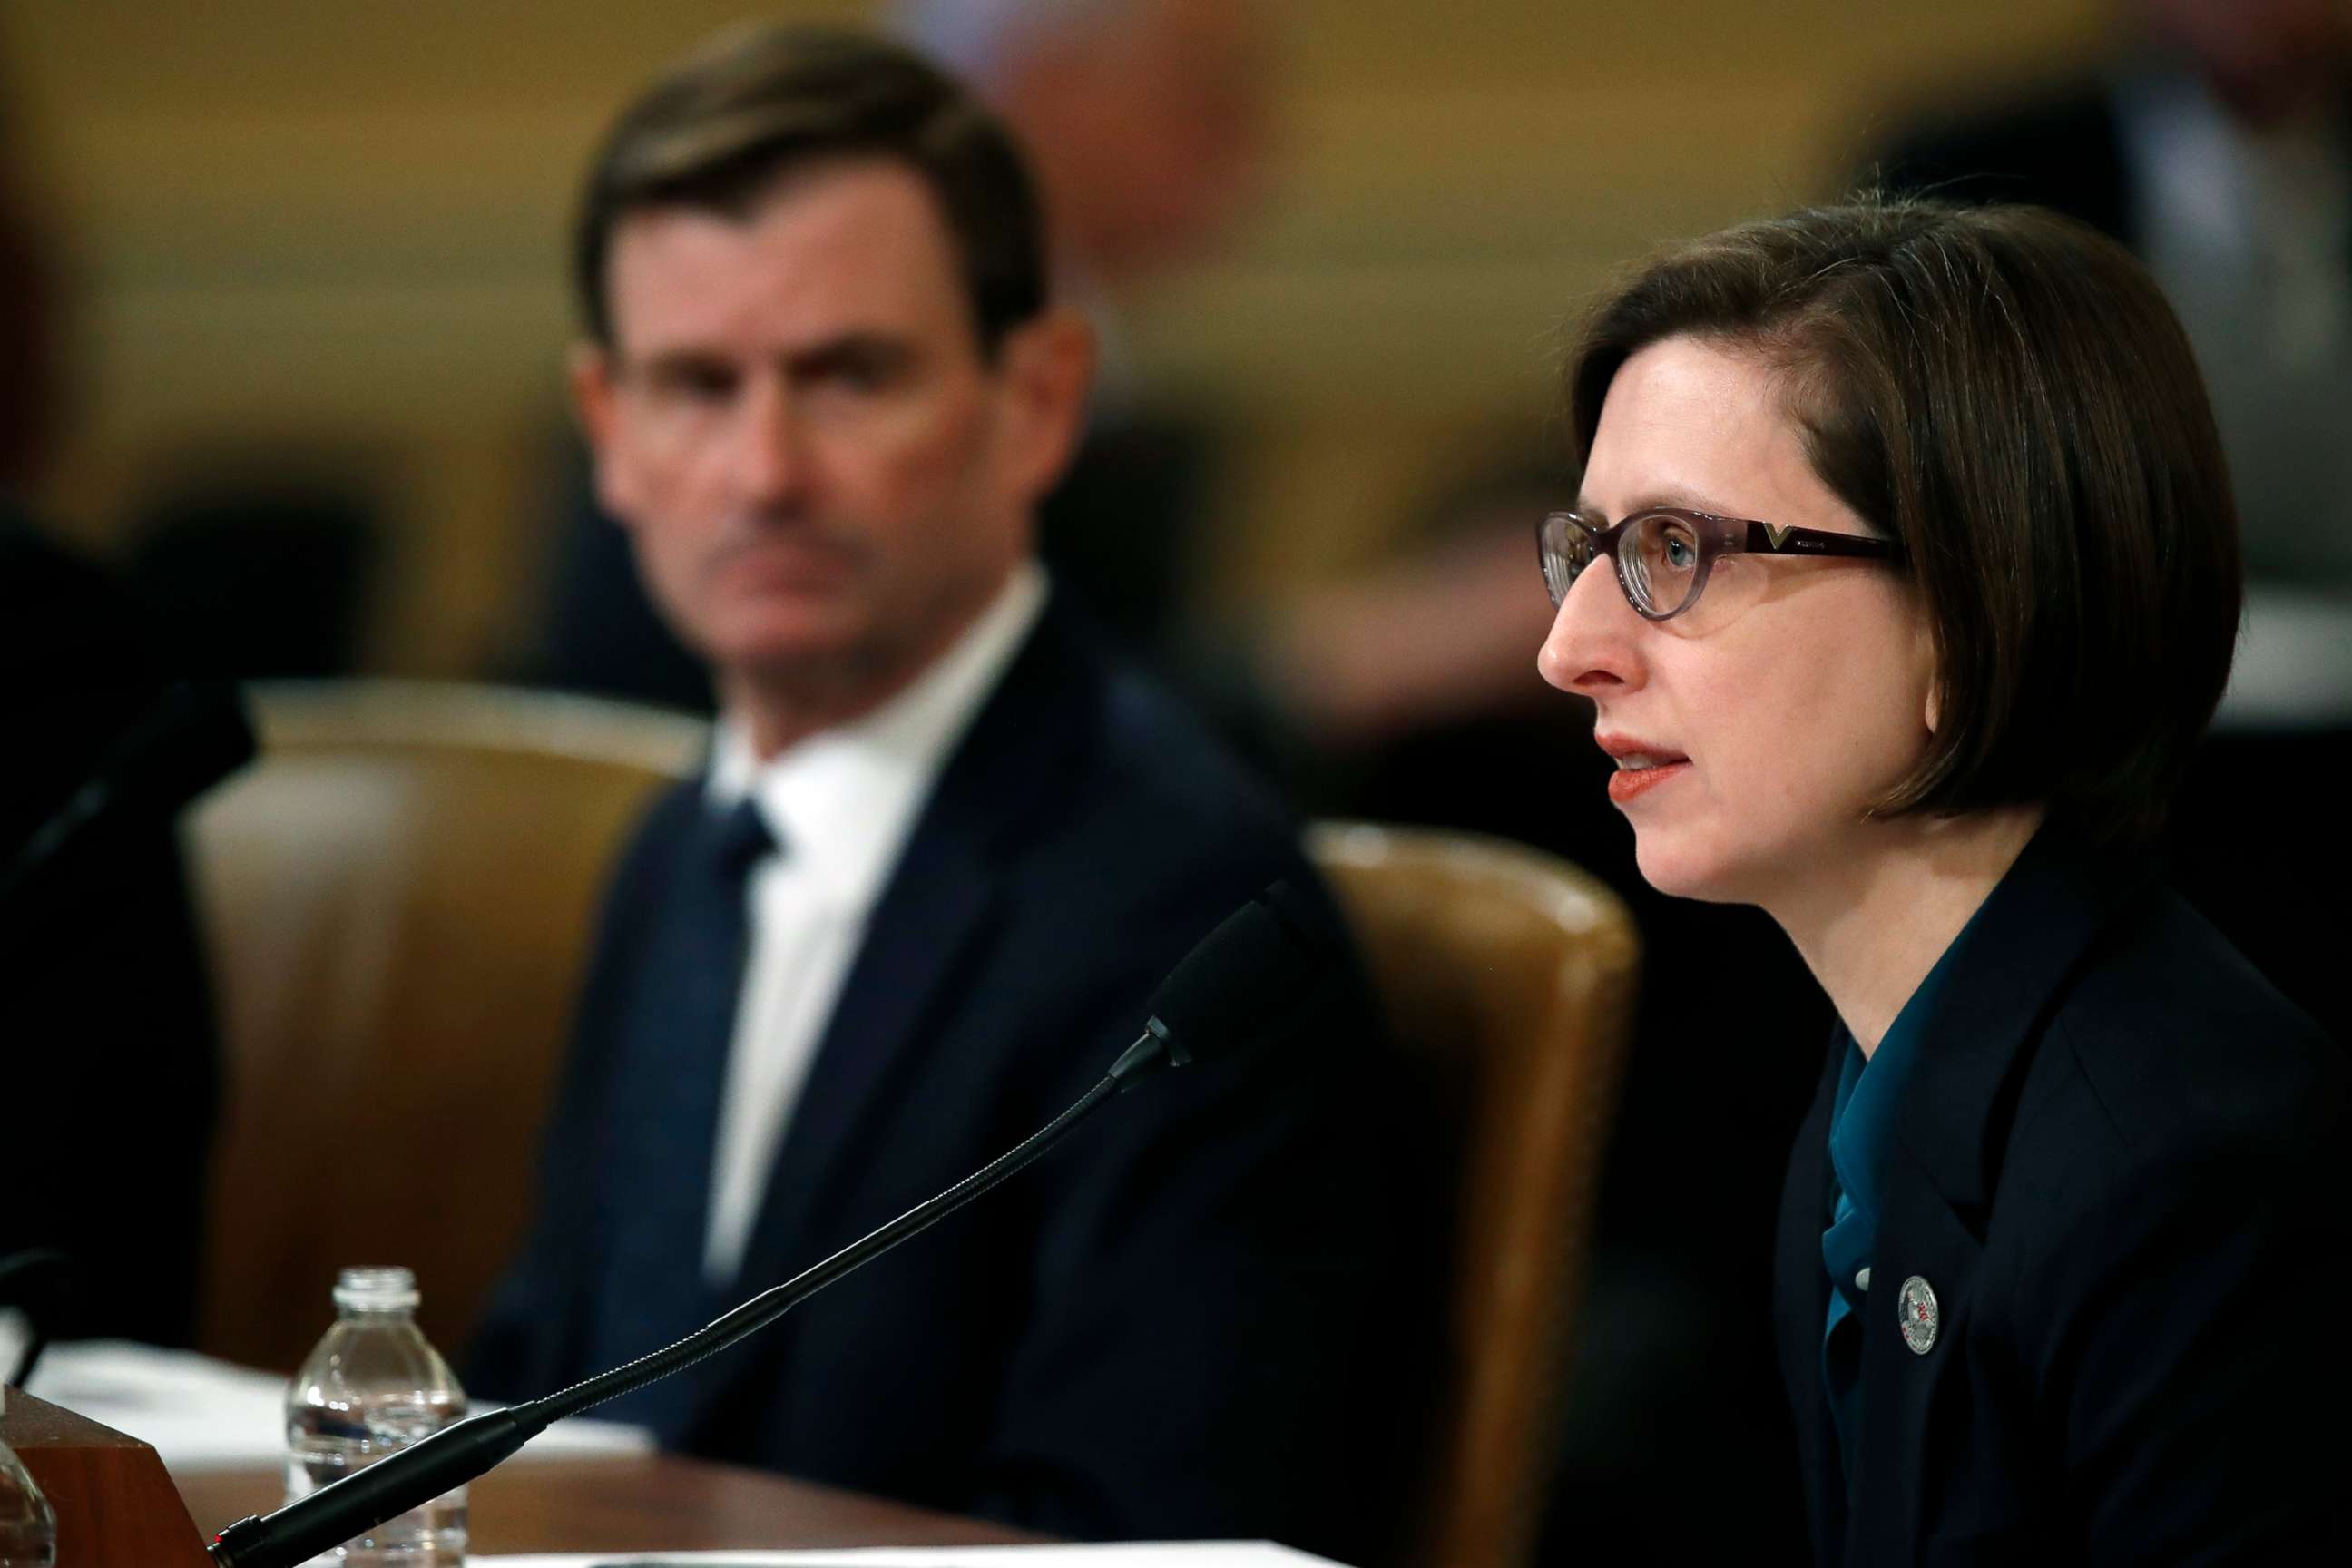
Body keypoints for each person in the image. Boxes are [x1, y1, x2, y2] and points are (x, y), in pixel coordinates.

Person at [466, 25, 1421, 1560]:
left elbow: (1141, 1541)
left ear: (1039, 398)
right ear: (611, 437)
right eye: (696, 385)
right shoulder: (673, 853)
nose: (763, 471)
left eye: (850, 376)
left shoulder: (1181, 921)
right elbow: (553, 1418)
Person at [1535, 196, 2348, 1563]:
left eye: (1673, 554)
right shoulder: (1875, 1096)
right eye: (1593, 551)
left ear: (1968, 622)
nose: (1572, 648)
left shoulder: (2191, 1181)